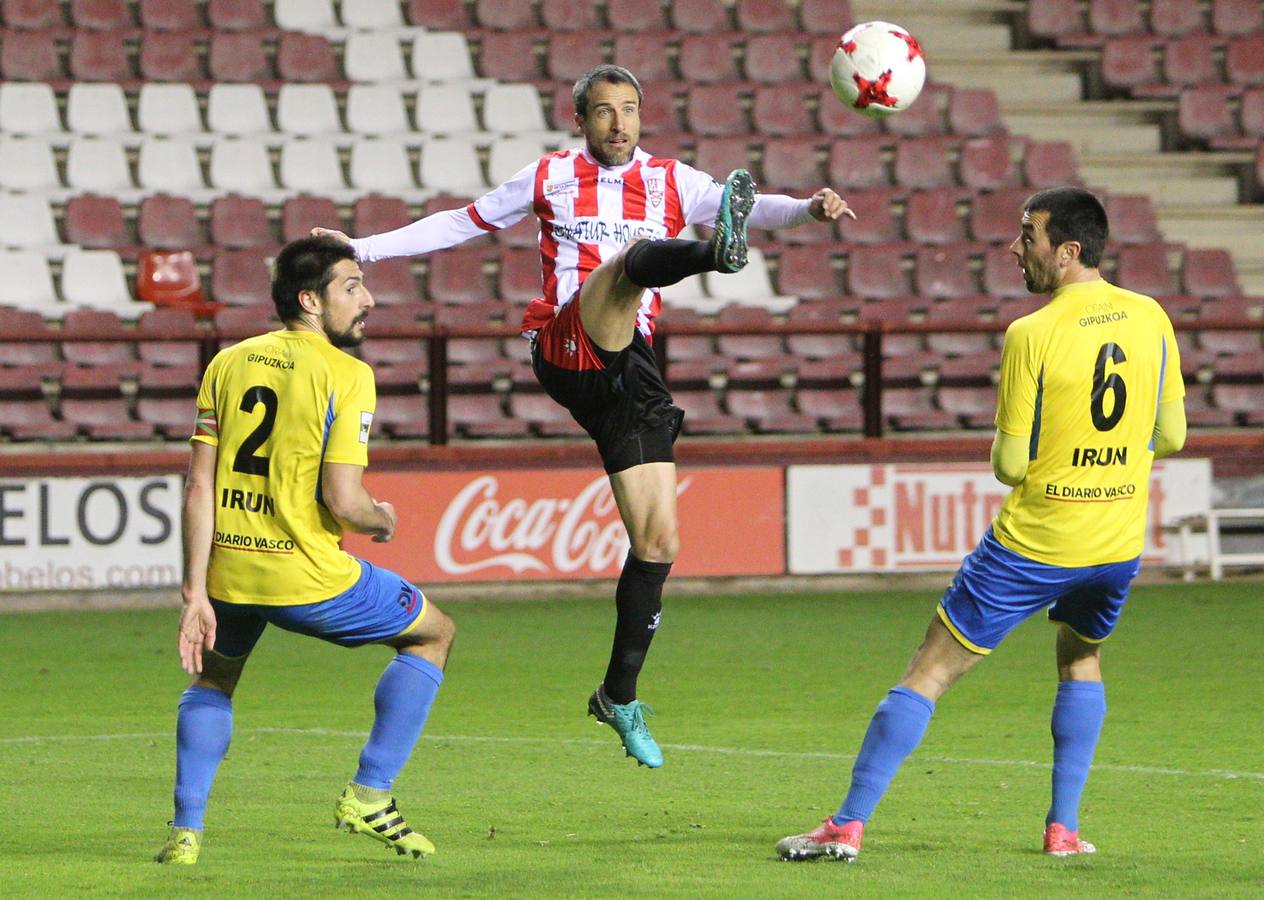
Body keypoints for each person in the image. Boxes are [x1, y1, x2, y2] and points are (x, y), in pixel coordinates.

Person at [313, 64, 852, 768]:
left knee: (659, 542)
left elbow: (753, 204)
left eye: (629, 109)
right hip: (565, 341)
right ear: (580, 120)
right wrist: (364, 249)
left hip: (633, 371)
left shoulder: (670, 178)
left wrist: (808, 208)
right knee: (624, 267)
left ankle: (617, 695)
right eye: (603, 112)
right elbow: (459, 223)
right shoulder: (548, 176)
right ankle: (711, 256)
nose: (619, 124)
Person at [776, 187, 1188, 861]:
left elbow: (1009, 463)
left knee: (929, 672)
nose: (1015, 247)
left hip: (1038, 540)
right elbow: (1169, 434)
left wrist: (1059, 452)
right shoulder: (1152, 318)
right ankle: (1064, 831)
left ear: (1068, 251)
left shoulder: (1033, 333)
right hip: (1116, 541)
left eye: (1029, 236)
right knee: (1081, 657)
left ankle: (846, 825)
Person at [155, 236, 457, 865]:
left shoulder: (228, 362)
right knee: (433, 633)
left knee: (215, 677)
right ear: (309, 301)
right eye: (351, 286)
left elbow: (198, 484)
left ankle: (186, 834)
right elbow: (344, 501)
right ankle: (370, 795)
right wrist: (382, 521)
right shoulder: (347, 375)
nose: (367, 300)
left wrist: (192, 593)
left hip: (229, 573)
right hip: (309, 579)